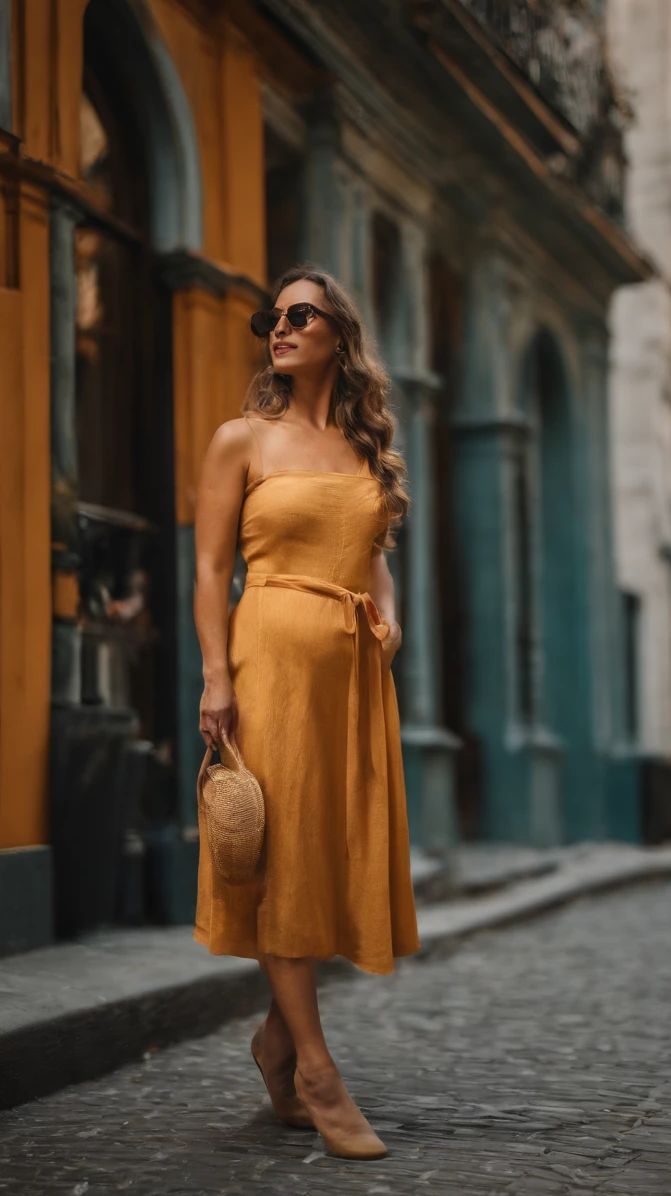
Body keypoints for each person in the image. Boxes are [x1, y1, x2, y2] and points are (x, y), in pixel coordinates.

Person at [192, 265, 420, 1160]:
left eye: (299, 315)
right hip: (270, 662)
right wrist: (217, 675)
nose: (278, 328)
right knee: (282, 858)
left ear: (338, 334)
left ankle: (274, 1044)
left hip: (353, 674)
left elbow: (371, 555)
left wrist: (389, 613)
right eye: (270, 317)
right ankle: (319, 1073)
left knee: (328, 855)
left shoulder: (366, 452)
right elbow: (212, 570)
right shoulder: (240, 439)